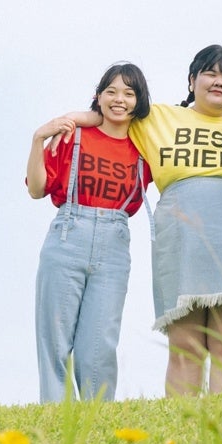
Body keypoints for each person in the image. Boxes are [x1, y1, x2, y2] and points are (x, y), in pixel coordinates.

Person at [66, 46, 222, 396]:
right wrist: (61, 124)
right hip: (182, 235)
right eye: (210, 73)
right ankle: (183, 429)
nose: (219, 81)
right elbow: (108, 113)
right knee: (186, 341)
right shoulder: (156, 118)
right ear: (192, 81)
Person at [26, 63, 152, 402]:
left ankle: (99, 417)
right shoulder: (73, 136)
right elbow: (37, 190)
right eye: (111, 91)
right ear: (98, 96)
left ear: (139, 101)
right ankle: (54, 416)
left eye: (129, 93)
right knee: (54, 336)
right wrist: (39, 138)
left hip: (115, 243)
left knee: (99, 342)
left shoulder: (146, 148)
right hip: (69, 233)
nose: (119, 99)